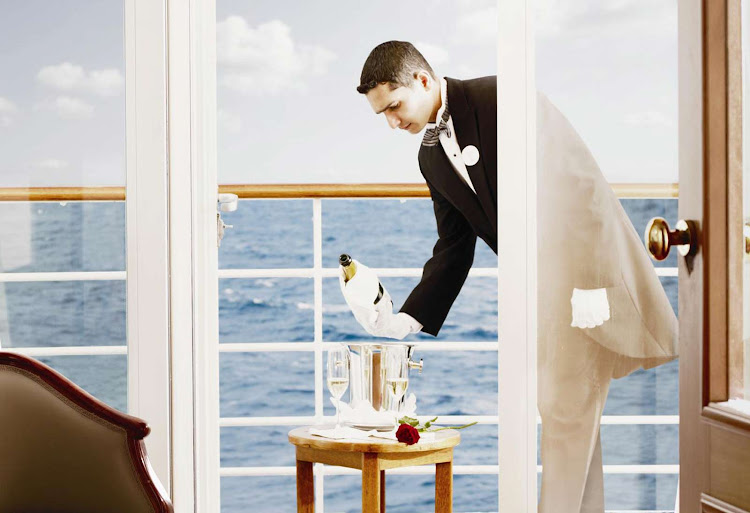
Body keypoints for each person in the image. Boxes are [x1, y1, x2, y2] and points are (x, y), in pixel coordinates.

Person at [353, 41, 677, 512]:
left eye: (395, 106)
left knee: (565, 410)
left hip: (589, 279)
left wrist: (588, 281)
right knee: (571, 414)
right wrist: (409, 319)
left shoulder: (503, 98)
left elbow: (579, 183)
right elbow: (453, 246)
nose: (391, 122)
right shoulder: (429, 156)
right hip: (540, 292)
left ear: (423, 80)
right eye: (381, 114)